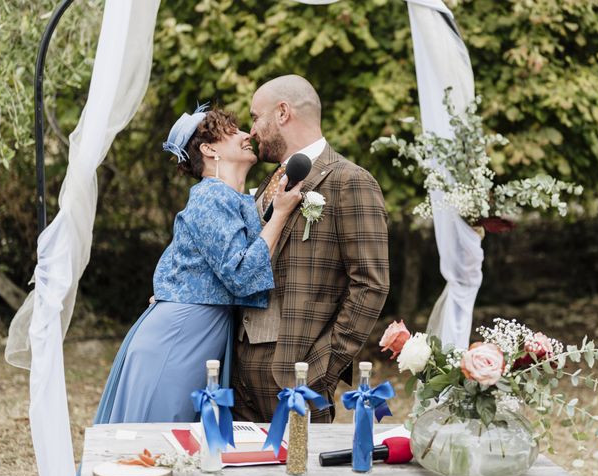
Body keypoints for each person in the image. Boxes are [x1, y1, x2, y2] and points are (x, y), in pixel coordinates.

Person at [94, 105, 303, 423]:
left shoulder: (231, 198)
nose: (248, 134)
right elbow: (242, 276)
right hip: (180, 336)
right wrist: (283, 214)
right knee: (161, 428)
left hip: (199, 330)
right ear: (208, 149)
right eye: (233, 132)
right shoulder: (210, 197)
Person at [232, 75, 390, 423]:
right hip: (238, 373)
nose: (252, 130)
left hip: (297, 374)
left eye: (256, 117)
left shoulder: (350, 181)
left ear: (283, 113)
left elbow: (371, 284)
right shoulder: (266, 184)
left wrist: (321, 368)